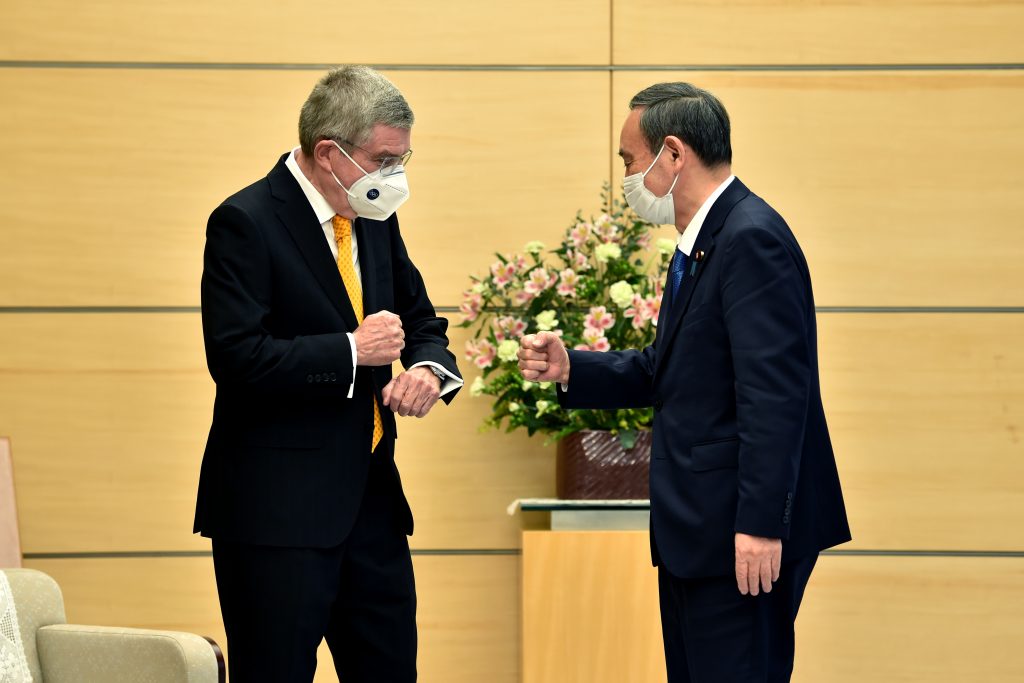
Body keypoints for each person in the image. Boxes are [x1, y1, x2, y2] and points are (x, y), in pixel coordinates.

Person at [518, 82, 850, 682]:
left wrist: (759, 525)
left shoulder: (750, 239)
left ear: (673, 155)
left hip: (736, 536)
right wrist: (574, 367)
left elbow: (775, 397)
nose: (625, 177)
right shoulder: (703, 245)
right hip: (701, 533)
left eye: (629, 161)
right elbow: (667, 371)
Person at [194, 65, 462, 683]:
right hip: (277, 513)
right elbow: (236, 358)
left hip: (372, 505)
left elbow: (421, 318)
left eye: (404, 158)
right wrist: (349, 350)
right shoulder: (245, 221)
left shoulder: (373, 215)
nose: (396, 175)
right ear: (328, 152)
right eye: (385, 158)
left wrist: (427, 367)